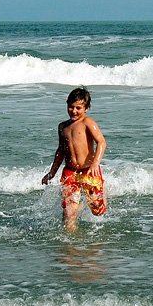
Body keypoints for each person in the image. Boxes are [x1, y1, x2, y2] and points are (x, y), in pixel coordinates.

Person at [42, 87, 107, 231]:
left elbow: (101, 142)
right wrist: (52, 173)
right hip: (70, 172)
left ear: (87, 108)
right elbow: (60, 151)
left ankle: (103, 192)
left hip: (89, 171)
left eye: (78, 108)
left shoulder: (87, 123)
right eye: (71, 107)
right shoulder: (63, 127)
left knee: (98, 210)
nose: (74, 111)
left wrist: (95, 164)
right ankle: (70, 241)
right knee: (69, 211)